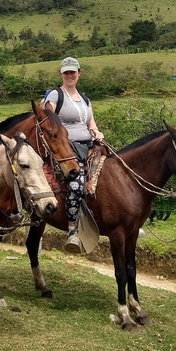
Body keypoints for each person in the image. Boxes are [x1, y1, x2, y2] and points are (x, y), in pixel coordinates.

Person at [43, 56, 104, 254]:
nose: (70, 75)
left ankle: (123, 219)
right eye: (66, 72)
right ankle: (72, 230)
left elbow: (91, 123)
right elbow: (48, 122)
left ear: (79, 73)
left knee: (111, 175)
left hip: (89, 146)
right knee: (76, 185)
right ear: (61, 74)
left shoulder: (85, 99)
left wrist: (97, 132)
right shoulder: (55, 95)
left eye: (73, 72)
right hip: (67, 149)